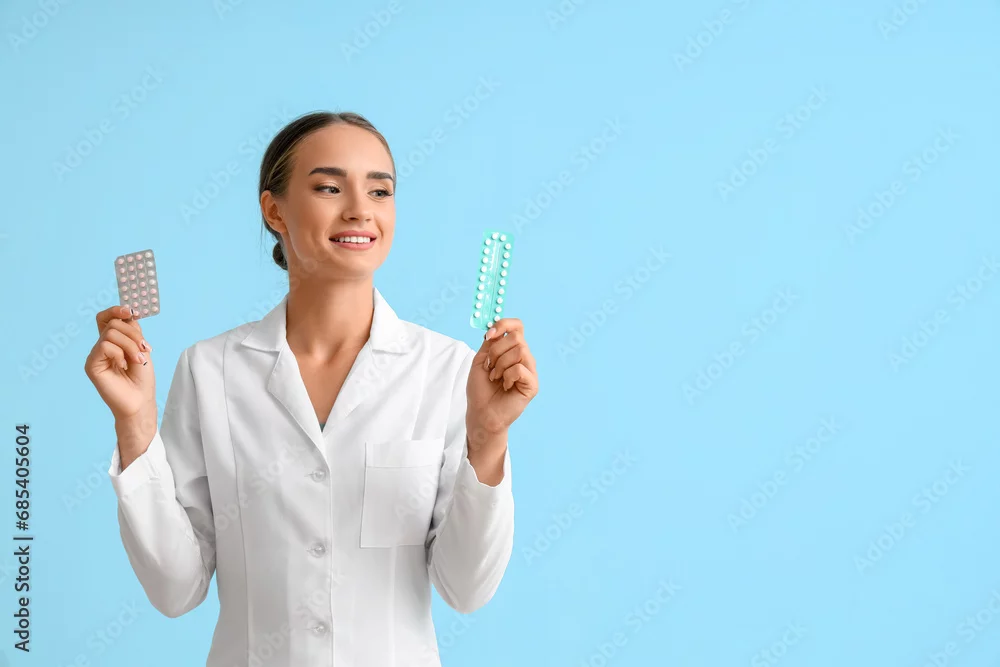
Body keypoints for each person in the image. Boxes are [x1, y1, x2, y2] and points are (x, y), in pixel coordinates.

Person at [83, 111, 539, 667]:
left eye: (380, 191)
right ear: (274, 210)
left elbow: (466, 589)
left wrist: (488, 436)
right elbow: (175, 589)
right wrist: (134, 422)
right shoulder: (211, 371)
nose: (360, 209)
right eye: (329, 187)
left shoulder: (446, 370)